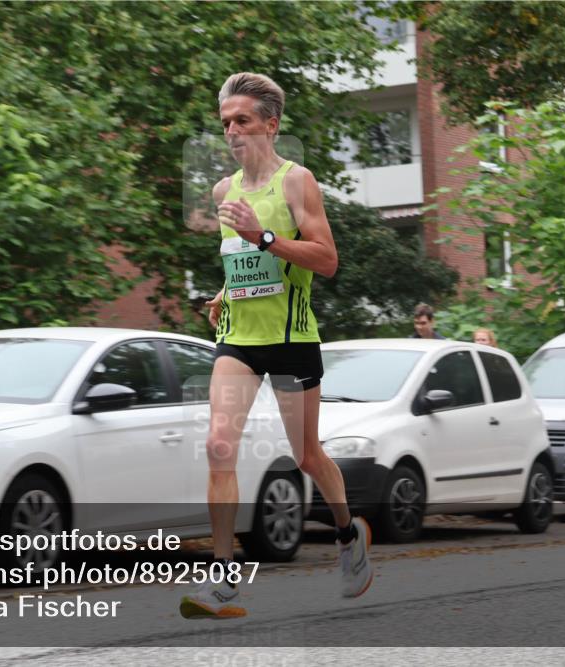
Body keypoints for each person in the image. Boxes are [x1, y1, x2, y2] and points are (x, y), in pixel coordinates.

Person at [179, 72, 373, 619]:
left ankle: (346, 533)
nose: (233, 132)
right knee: (219, 445)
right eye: (225, 124)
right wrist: (224, 291)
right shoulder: (223, 192)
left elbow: (327, 261)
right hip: (238, 340)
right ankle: (223, 582)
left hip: (291, 339)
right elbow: (244, 262)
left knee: (307, 455)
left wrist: (261, 235)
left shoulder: (296, 182)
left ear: (271, 124)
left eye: (242, 120)